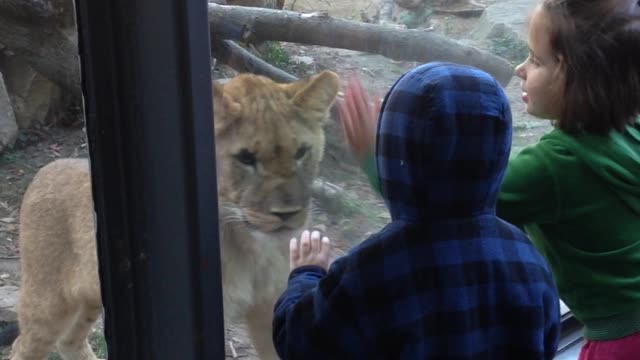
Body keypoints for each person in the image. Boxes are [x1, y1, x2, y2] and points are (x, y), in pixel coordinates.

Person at [338, 1, 640, 358]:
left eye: (536, 60)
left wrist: (373, 159)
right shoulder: (630, 127)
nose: (520, 69)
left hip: (619, 339)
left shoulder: (551, 168)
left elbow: (439, 204)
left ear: (578, 77)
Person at [272, 62, 561, 360]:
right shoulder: (527, 259)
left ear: (392, 150)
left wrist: (305, 275)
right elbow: (547, 342)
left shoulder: (372, 271)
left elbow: (298, 342)